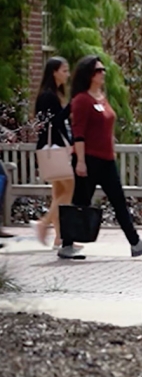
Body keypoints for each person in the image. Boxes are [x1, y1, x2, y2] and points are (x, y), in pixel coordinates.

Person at [62, 56, 142, 260]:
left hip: (106, 160)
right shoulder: (81, 100)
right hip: (88, 158)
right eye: (99, 70)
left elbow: (107, 128)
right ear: (89, 74)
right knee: (81, 202)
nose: (103, 73)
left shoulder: (101, 97)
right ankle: (67, 245)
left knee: (118, 200)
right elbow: (78, 133)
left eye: (103, 70)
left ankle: (135, 242)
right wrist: (80, 161)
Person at [34, 57, 73, 248]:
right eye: (64, 70)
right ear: (54, 72)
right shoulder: (48, 96)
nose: (67, 74)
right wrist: (70, 108)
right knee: (69, 188)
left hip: (52, 147)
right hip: (53, 148)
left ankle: (59, 237)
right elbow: (56, 122)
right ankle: (44, 224)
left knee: (58, 192)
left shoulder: (52, 94)